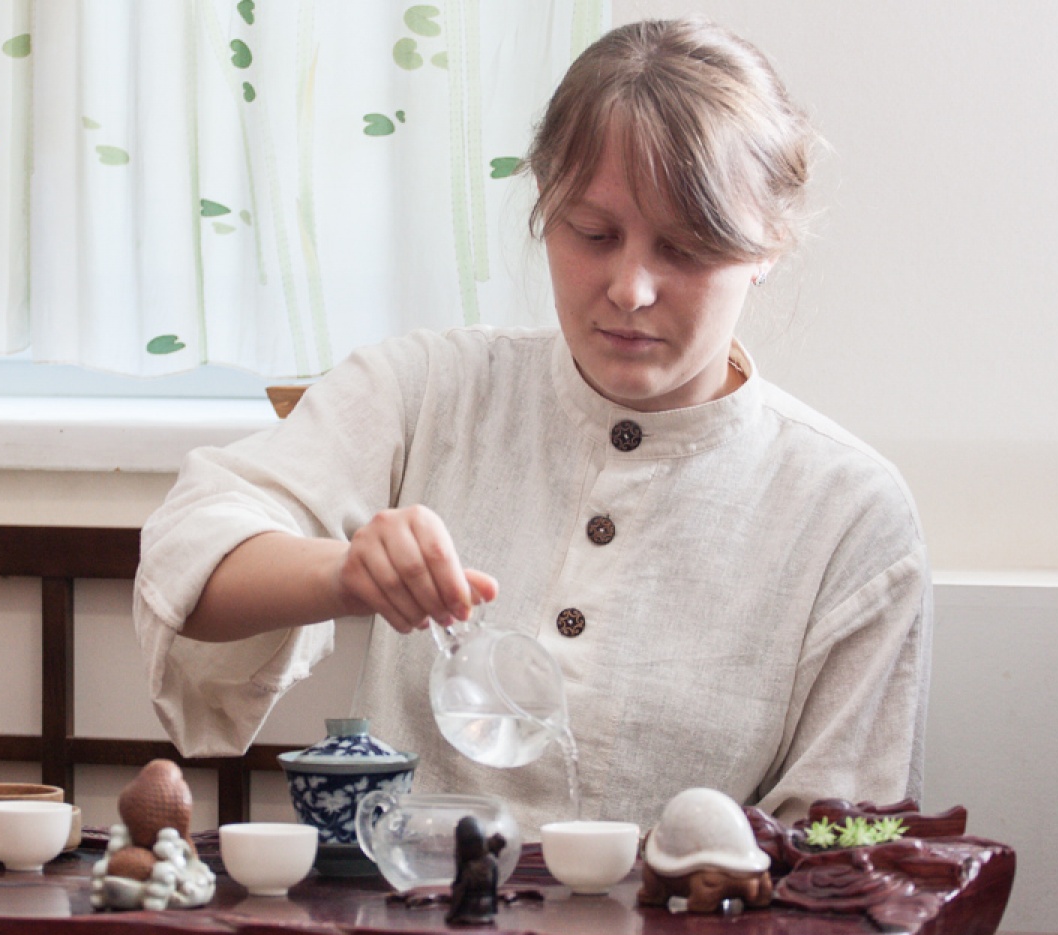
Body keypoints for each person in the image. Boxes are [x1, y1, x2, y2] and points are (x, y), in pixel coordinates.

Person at [134, 16, 931, 836]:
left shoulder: (849, 513)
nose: (630, 288)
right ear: (545, 208)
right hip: (406, 908)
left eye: (685, 248)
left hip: (693, 922)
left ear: (767, 244)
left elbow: (845, 846)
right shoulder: (432, 389)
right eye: (594, 234)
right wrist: (344, 573)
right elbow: (190, 550)